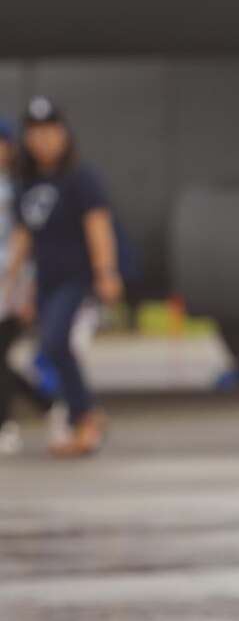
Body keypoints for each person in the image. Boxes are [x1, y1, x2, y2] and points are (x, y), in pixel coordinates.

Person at [0, 97, 121, 456]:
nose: (43, 141)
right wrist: (13, 279)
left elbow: (98, 225)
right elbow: (24, 234)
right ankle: (78, 415)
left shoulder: (80, 178)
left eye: (50, 132)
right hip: (47, 279)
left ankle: (86, 415)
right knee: (52, 347)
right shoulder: (30, 182)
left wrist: (106, 271)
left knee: (56, 341)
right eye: (35, 134)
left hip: (77, 278)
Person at [0, 118, 55, 456]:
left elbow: (32, 241)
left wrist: (28, 288)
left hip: (11, 285)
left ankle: (5, 424)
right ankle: (45, 401)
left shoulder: (23, 189)